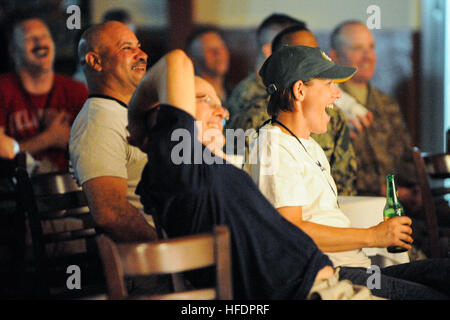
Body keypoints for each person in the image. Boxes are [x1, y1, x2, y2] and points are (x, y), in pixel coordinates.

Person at [126, 49, 384, 300]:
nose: (222, 112)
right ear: (165, 118)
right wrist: (138, 121)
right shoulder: (178, 165)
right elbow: (176, 61)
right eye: (205, 99)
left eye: (220, 104)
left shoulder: (210, 168)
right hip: (310, 292)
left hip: (324, 284)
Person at [246, 45, 450, 299]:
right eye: (330, 84)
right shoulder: (272, 146)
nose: (337, 95)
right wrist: (373, 236)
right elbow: (291, 231)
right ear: (299, 91)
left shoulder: (309, 145)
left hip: (359, 267)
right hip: (330, 275)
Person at [227, 14, 357, 196]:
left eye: (315, 51)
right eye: (302, 53)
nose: (314, 59)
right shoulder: (255, 121)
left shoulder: (325, 130)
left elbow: (343, 189)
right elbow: (237, 187)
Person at [69, 21, 157, 242]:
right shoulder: (99, 122)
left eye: (138, 46)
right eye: (127, 48)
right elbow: (110, 214)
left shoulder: (129, 112)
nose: (142, 54)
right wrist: (167, 249)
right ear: (95, 61)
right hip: (151, 261)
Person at [328, 21, 420, 211]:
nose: (368, 56)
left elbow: (405, 157)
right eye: (357, 48)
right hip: (351, 208)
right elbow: (326, 167)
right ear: (335, 56)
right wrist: (386, 190)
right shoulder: (328, 104)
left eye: (371, 47)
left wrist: (416, 189)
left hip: (399, 207)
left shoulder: (386, 102)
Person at [0, 14, 88, 173]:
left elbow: (93, 147)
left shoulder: (76, 90)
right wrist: (48, 139)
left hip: (71, 187)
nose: (40, 42)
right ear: (13, 51)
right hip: (15, 189)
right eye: (30, 38)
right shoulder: (3, 89)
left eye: (44, 36)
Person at [186, 26, 231, 103]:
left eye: (221, 47)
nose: (218, 54)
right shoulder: (190, 96)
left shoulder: (235, 92)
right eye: (209, 50)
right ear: (192, 59)